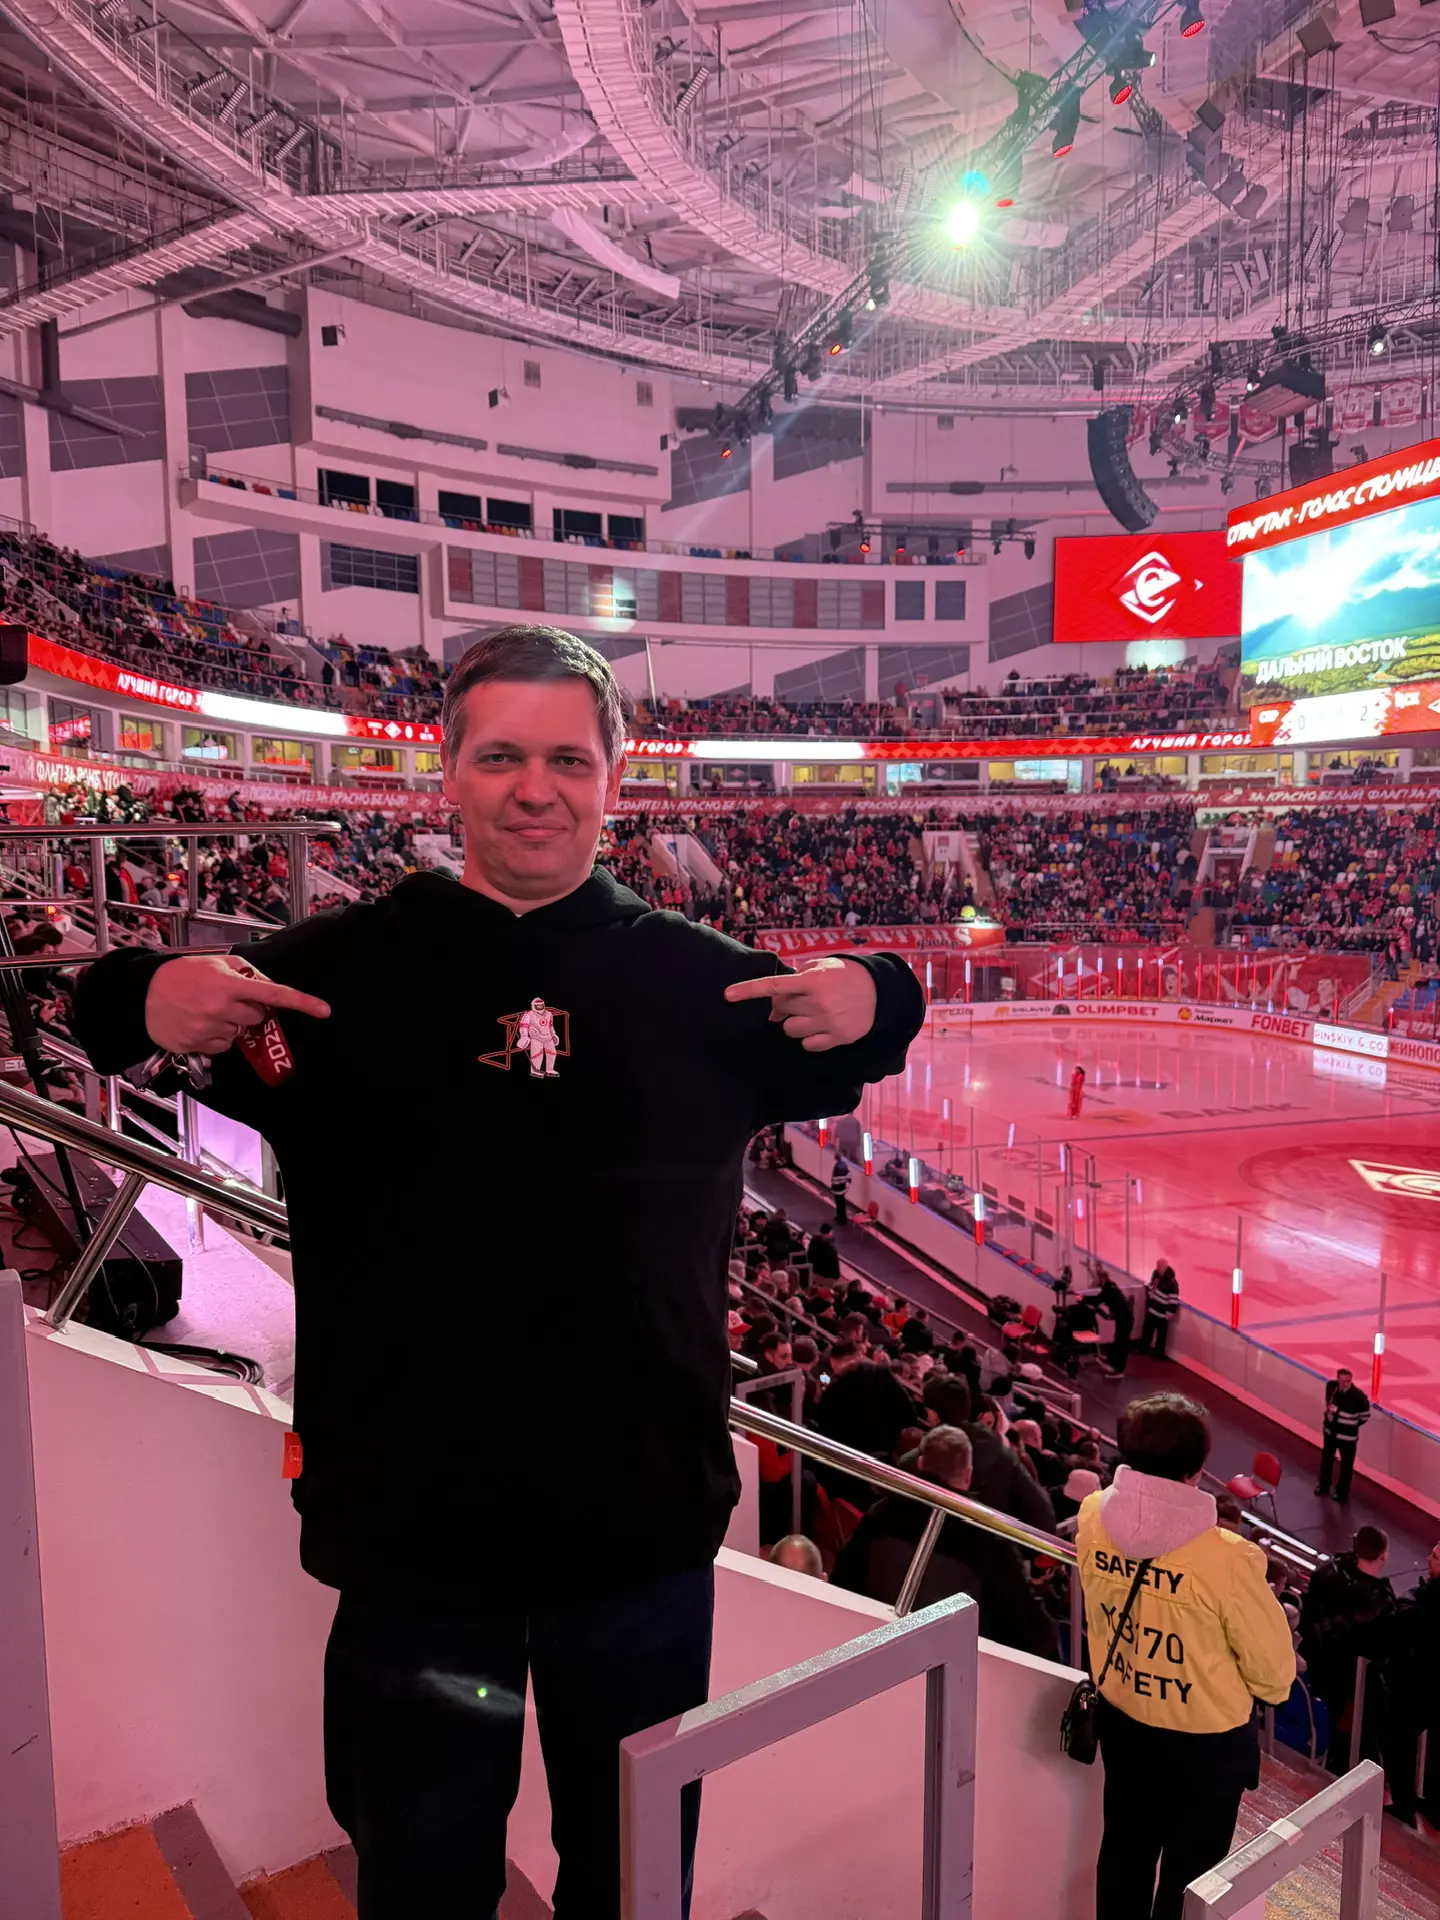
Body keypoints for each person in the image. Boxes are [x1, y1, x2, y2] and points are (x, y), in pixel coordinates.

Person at [70, 624, 925, 1920]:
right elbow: (99, 1009)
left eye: (569, 759)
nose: (538, 788)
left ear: (614, 776)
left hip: (637, 1546)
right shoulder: (330, 978)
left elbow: (874, 1026)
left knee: (633, 1886)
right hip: (413, 1551)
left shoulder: (707, 991)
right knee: (420, 1883)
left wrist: (881, 989)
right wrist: (144, 995)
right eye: (504, 756)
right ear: (451, 770)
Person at [1077, 1394, 1295, 1920]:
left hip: (1124, 1722)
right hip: (1206, 1749)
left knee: (1123, 1857)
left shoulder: (1092, 1515)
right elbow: (1274, 1678)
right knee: (1191, 1881)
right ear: (1196, 1471)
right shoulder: (1231, 1559)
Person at [832, 1427, 1058, 1658]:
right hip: (955, 1661)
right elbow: (1029, 1632)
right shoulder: (989, 1540)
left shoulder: (882, 1514)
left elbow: (843, 1579)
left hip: (875, 1645)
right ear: (968, 1475)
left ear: (920, 1463)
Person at [1299, 1525, 1396, 1775]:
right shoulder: (1379, 1603)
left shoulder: (1327, 1571)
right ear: (1383, 1556)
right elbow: (1382, 1652)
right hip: (1350, 1688)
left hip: (1315, 1666)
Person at [1381, 1541, 1440, 1827]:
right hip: (1424, 1687)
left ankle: (1405, 1805)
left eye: (1436, 1556)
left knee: (1397, 1742)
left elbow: (1401, 1628)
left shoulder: (1421, 1604)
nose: (1428, 1558)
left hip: (1415, 1688)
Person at [1317, 1366, 1371, 1502]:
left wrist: (1345, 1420)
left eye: (1348, 1381)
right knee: (1327, 1460)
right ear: (1338, 1379)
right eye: (1342, 1380)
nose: (1345, 1383)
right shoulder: (1332, 1387)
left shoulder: (1359, 1397)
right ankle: (1324, 1486)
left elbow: (1364, 1416)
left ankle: (1342, 1493)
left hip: (1348, 1438)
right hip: (1330, 1433)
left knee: (1346, 1465)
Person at [1093, 1269, 1135, 1379]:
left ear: (1102, 1279)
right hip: (1123, 1318)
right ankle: (1112, 1361)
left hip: (1125, 1319)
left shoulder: (1109, 1290)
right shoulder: (1111, 1287)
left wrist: (1082, 1299)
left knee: (1122, 1343)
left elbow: (1097, 1300)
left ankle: (1117, 1370)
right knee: (1117, 1339)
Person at [1138, 1260, 1180, 1358]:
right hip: (1153, 1308)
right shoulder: (1156, 1274)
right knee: (1147, 1329)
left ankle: (1159, 1353)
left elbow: (1173, 1299)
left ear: (1165, 1267)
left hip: (1162, 1312)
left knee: (1161, 1334)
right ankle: (1144, 1348)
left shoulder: (1172, 1282)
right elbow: (1152, 1286)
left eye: (1159, 1266)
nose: (1157, 1268)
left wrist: (1169, 1313)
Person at [830, 1151, 852, 1226]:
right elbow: (848, 1176)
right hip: (842, 1187)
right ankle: (840, 1217)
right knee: (841, 1203)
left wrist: (833, 1186)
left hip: (838, 1188)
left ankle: (842, 1218)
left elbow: (835, 1178)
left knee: (840, 1203)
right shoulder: (844, 1164)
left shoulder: (837, 1166)